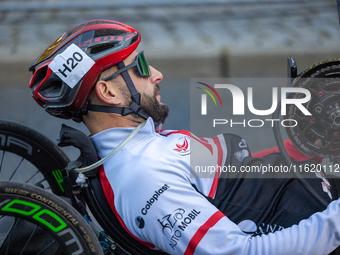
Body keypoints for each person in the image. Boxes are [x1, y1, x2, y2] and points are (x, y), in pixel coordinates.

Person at [29, 19, 340, 255]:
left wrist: (308, 147)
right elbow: (243, 251)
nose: (156, 73)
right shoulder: (145, 176)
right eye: (139, 66)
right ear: (108, 92)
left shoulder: (141, 142)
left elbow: (242, 179)